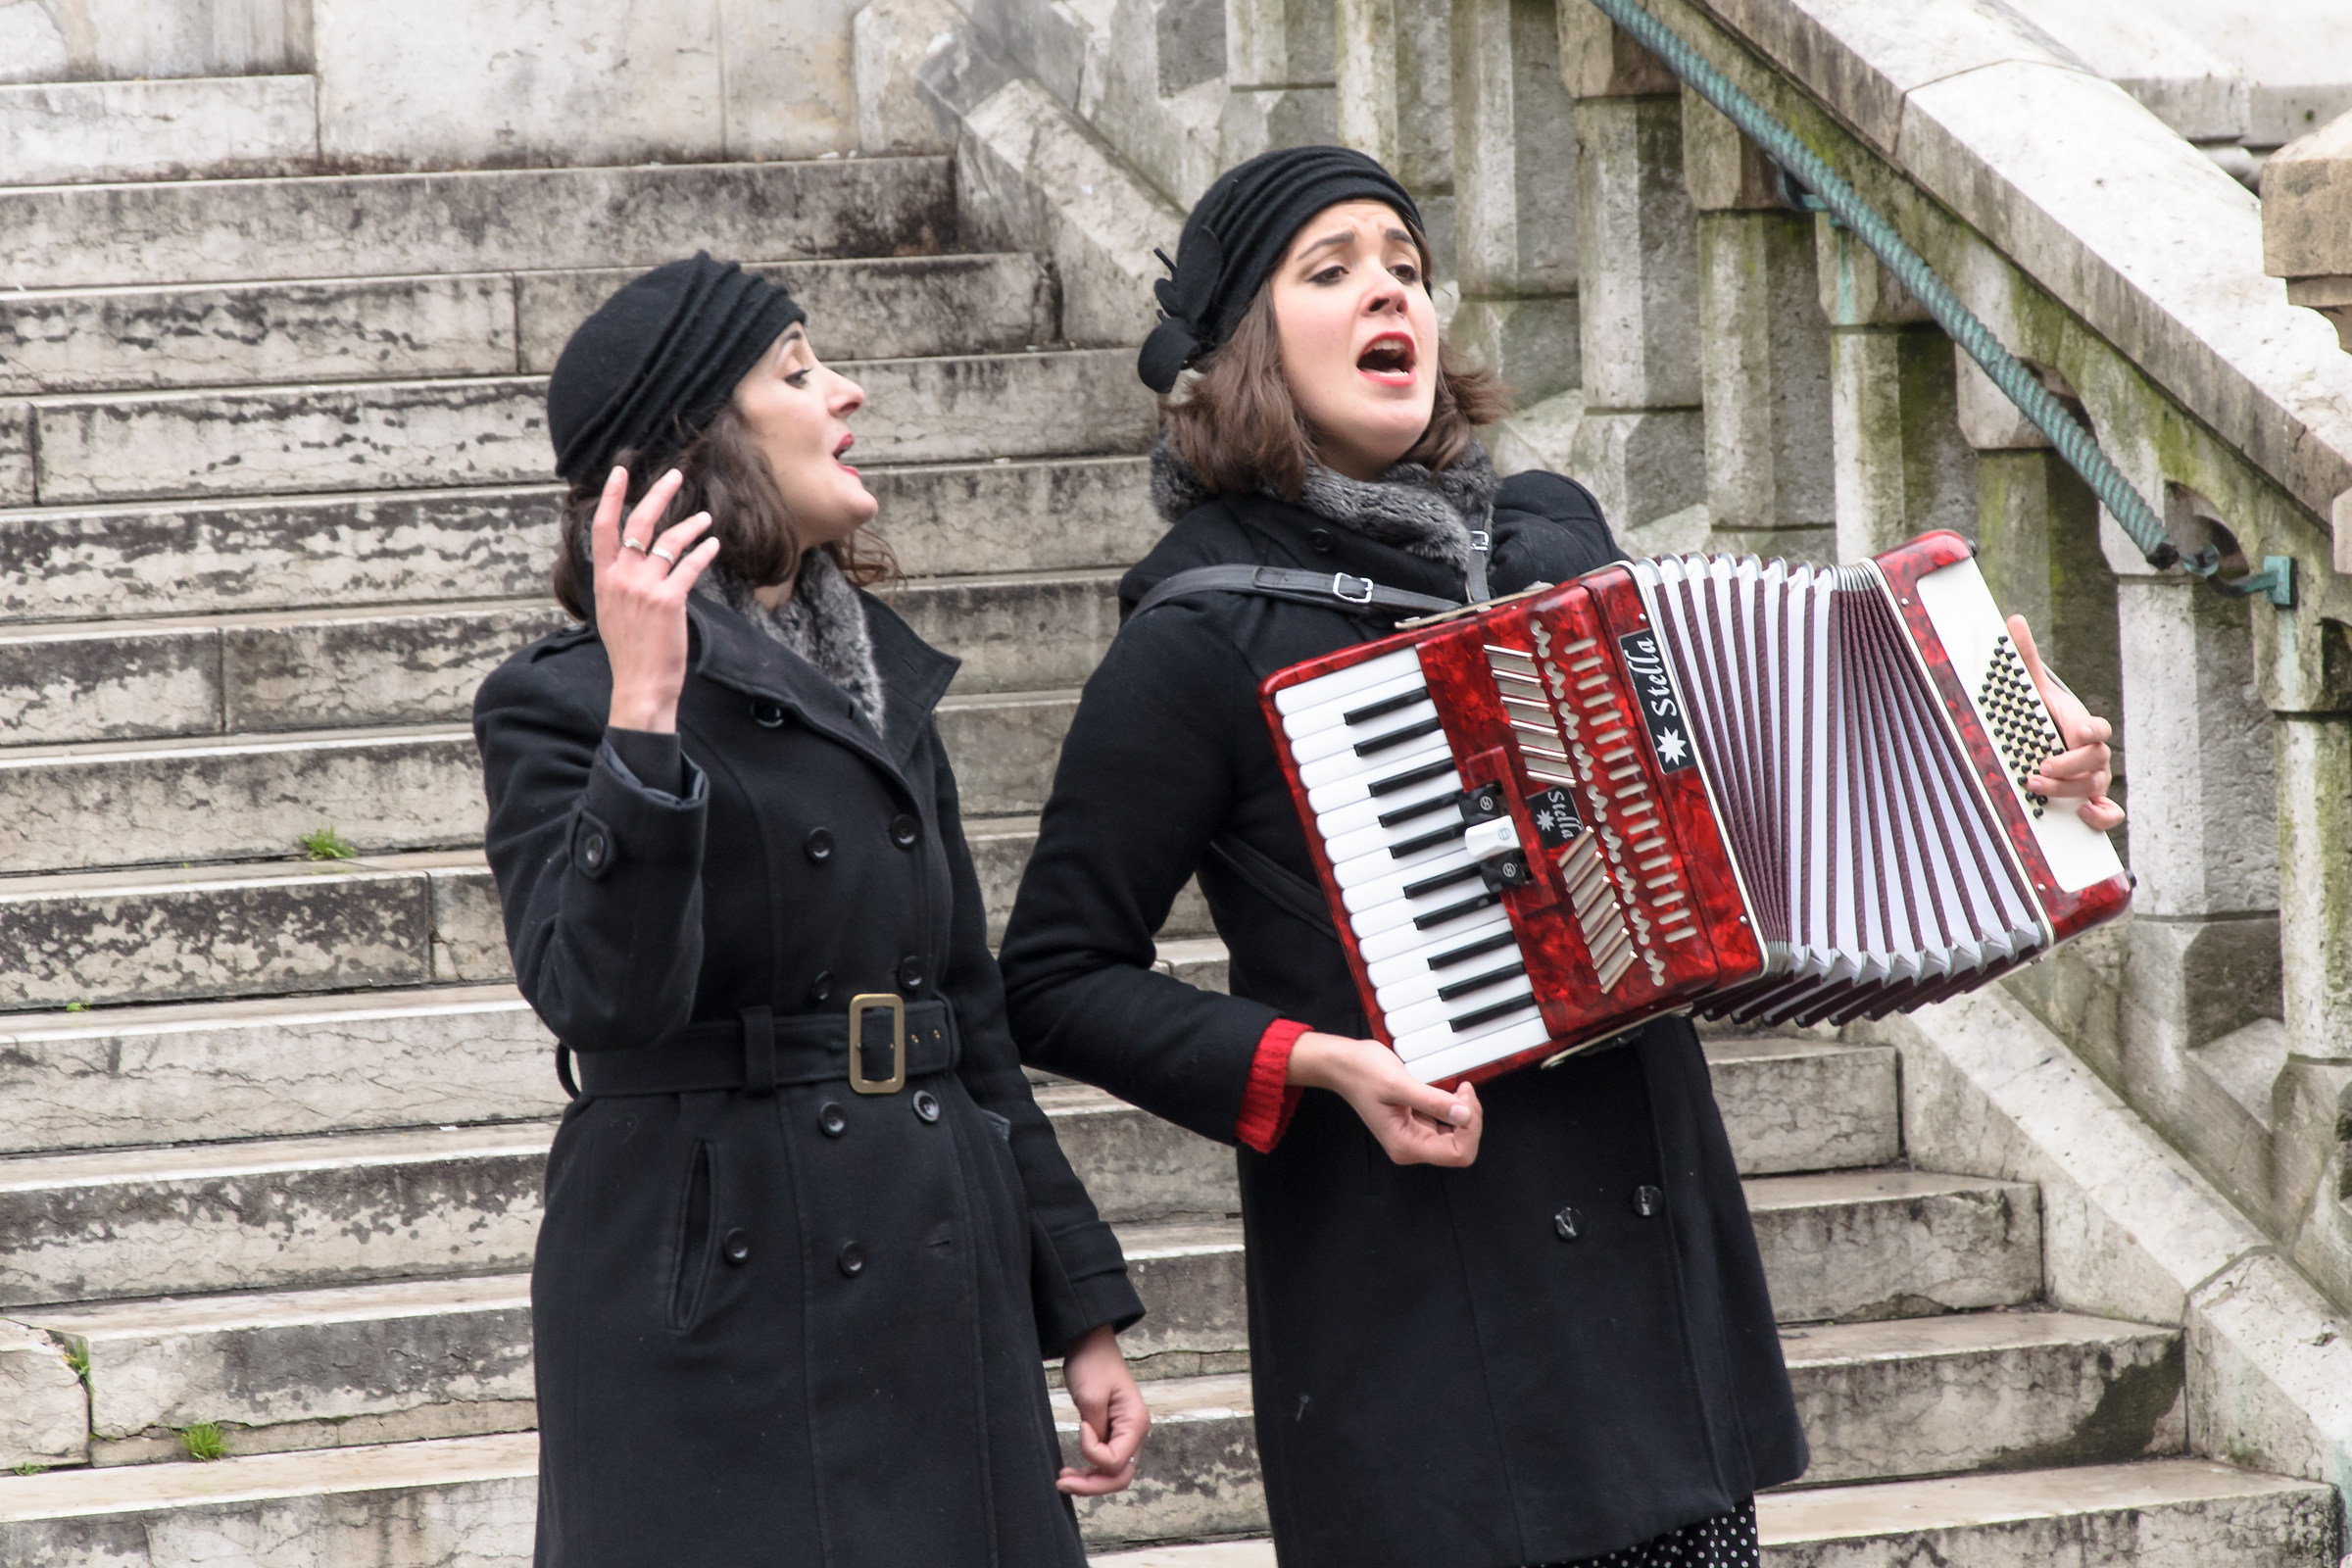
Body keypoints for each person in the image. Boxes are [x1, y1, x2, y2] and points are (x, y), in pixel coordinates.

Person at [997, 148, 2123, 1568]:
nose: (1386, 290)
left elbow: (1751, 807)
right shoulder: (1199, 638)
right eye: (1329, 269)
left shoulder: (1548, 544)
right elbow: (1050, 975)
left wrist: (2011, 772)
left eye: (1403, 264)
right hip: (1424, 1342)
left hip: (1658, 1314)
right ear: (1242, 349)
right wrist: (1316, 1063)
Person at [474, 254, 1151, 1566]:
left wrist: (1079, 1311)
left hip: (932, 1266)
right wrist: (645, 718)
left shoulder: (877, 688)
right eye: (796, 371)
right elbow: (597, 998)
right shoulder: (557, 703)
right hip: (707, 1293)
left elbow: (967, 1011)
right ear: (697, 447)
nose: (846, 393)